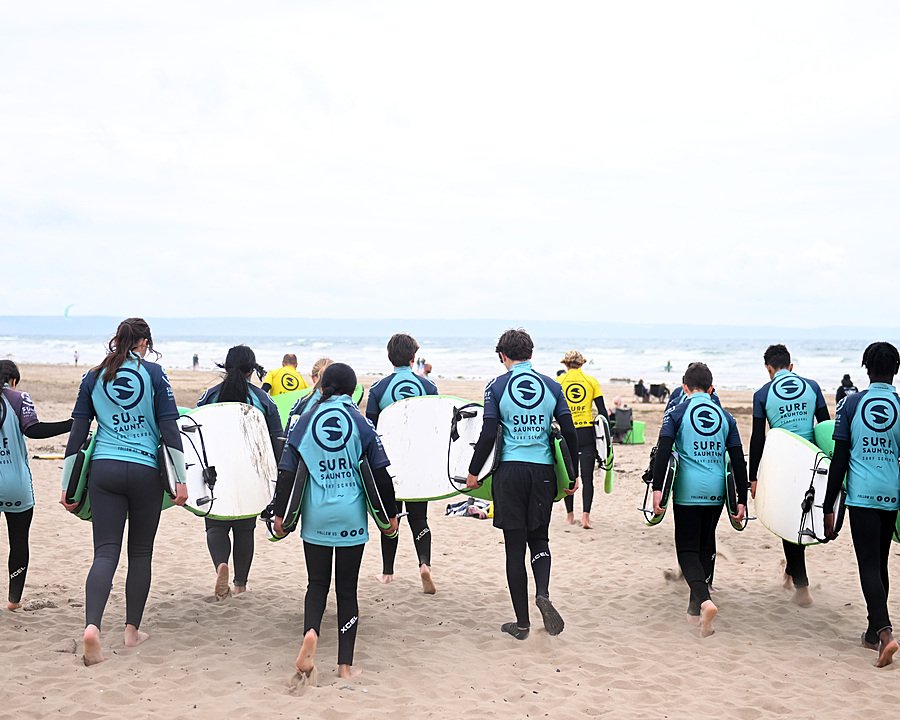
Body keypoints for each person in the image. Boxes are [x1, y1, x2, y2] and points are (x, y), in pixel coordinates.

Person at [60, 318, 188, 665]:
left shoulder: (93, 376)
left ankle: (92, 627)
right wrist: (180, 477)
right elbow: (169, 428)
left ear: (118, 340)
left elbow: (78, 432)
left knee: (105, 553)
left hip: (105, 469)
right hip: (146, 470)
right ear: (144, 342)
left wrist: (67, 483)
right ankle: (131, 631)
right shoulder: (155, 374)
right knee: (141, 553)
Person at [271, 362, 399, 681]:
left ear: (322, 387)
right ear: (352, 390)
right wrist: (392, 514)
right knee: (347, 590)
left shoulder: (304, 421)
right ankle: (344, 666)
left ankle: (311, 634)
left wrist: (278, 513)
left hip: (316, 516)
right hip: (351, 516)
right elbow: (381, 473)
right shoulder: (361, 422)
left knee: (316, 584)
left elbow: (286, 471)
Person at [466, 328, 579, 640]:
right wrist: (573, 474)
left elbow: (489, 433)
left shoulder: (496, 386)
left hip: (510, 473)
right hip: (543, 472)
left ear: (503, 356)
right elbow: (569, 432)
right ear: (531, 354)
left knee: (514, 549)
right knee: (539, 540)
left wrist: (474, 472)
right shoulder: (552, 386)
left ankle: (522, 624)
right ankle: (542, 592)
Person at [651, 362, 747, 637]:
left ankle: (704, 602)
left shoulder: (676, 412)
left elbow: (663, 450)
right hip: (717, 492)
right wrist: (741, 498)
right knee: (707, 545)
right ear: (711, 388)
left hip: (687, 492)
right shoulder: (725, 416)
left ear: (684, 388)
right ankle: (694, 612)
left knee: (687, 550)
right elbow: (738, 459)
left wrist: (658, 488)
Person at [824, 342, 900, 668]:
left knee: (868, 565)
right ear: (895, 370)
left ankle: (885, 634)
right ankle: (872, 633)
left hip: (862, 496)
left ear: (866, 369)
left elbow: (839, 457)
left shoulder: (851, 403)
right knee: (880, 562)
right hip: (891, 494)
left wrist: (828, 504)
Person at [197, 345, 283, 599]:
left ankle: (220, 565)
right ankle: (241, 584)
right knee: (245, 529)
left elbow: (195, 434)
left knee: (215, 526)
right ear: (252, 370)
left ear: (226, 367)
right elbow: (276, 440)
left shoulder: (207, 397)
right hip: (250, 471)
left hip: (215, 471)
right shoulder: (264, 400)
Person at [748, 344, 829, 607]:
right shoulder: (813, 386)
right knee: (803, 515)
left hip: (783, 463)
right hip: (812, 460)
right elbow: (826, 428)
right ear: (791, 366)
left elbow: (758, 438)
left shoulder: (763, 393)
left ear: (768, 369)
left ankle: (802, 587)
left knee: (788, 522)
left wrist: (754, 476)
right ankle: (790, 572)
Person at [366, 333, 439, 594]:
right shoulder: (429, 387)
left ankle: (387, 573)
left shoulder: (378, 389)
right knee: (420, 518)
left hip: (389, 465)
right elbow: (435, 428)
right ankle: (424, 564)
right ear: (413, 358)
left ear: (389, 357)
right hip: (418, 462)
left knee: (390, 517)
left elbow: (371, 431)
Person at [1, 361, 72, 611]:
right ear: (13, 381)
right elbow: (34, 431)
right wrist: (71, 424)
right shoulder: (19, 397)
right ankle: (13, 601)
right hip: (14, 484)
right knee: (18, 541)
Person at [556, 350, 608, 529]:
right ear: (582, 363)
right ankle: (586, 517)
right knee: (587, 478)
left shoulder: (559, 382)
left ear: (565, 364)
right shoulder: (591, 381)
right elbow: (602, 412)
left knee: (569, 476)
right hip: (587, 433)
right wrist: (607, 440)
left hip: (567, 433)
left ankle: (570, 516)